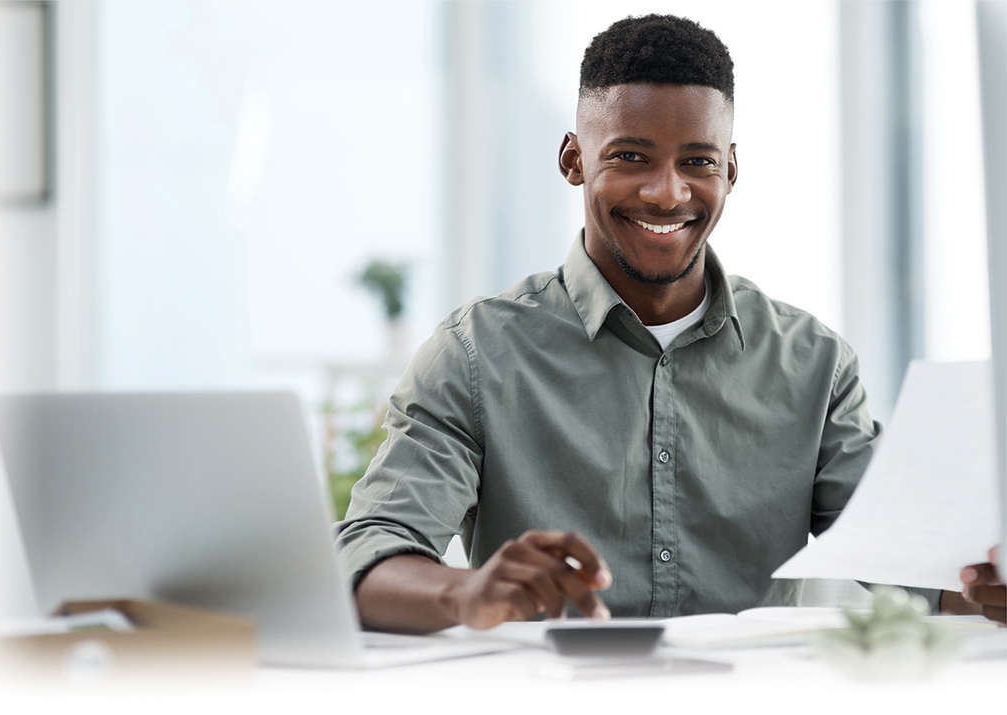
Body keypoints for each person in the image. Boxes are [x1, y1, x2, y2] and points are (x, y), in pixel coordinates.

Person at [334, 14, 1005, 632]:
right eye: (630, 156)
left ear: (730, 169)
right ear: (573, 160)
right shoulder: (475, 353)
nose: (667, 191)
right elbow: (368, 554)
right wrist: (466, 591)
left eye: (697, 161)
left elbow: (907, 563)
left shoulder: (814, 363)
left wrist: (987, 585)